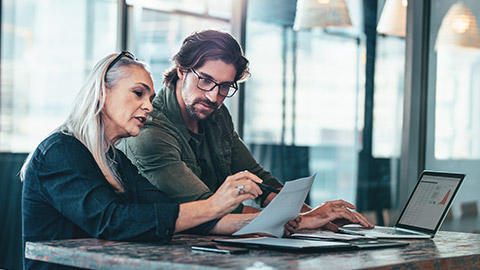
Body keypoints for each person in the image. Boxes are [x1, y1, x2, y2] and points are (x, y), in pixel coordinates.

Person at [20, 51, 289, 270]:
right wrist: (214, 204)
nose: (148, 106)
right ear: (102, 92)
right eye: (138, 93)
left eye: (150, 97)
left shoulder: (114, 159)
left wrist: (277, 223)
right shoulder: (60, 152)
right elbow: (112, 221)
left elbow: (167, 209)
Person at [119, 29, 374, 231]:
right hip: (158, 250)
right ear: (183, 70)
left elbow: (258, 180)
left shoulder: (216, 115)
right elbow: (207, 207)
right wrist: (304, 221)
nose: (213, 96)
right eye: (206, 80)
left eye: (224, 87)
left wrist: (317, 220)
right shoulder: (149, 129)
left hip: (214, 244)